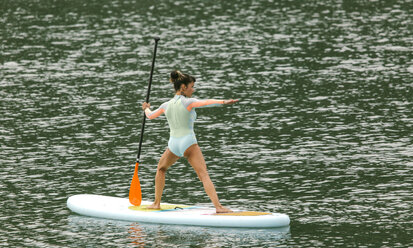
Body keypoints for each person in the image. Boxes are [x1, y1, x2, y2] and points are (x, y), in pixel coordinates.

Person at [142, 70, 238, 213]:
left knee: (161, 169)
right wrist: (223, 102)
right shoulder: (188, 102)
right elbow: (206, 103)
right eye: (191, 86)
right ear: (183, 88)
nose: (193, 89)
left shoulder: (165, 105)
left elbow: (150, 116)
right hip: (189, 144)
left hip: (173, 145)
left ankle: (156, 203)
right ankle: (218, 207)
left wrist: (146, 108)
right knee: (203, 174)